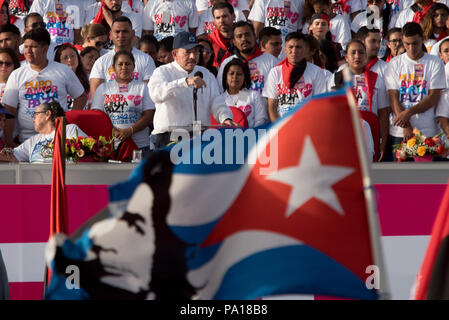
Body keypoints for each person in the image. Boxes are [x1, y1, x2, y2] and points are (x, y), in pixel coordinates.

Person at [148, 31, 237, 149]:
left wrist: (225, 118)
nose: (193, 56)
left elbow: (217, 101)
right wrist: (184, 82)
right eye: (187, 52)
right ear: (174, 54)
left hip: (197, 136)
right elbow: (156, 94)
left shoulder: (206, 74)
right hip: (167, 137)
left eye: (195, 52)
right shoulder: (162, 72)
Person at [1, 28, 87, 146]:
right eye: (26, 47)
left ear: (45, 49)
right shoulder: (17, 74)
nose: (28, 51)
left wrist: (68, 119)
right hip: (26, 140)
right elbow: (9, 110)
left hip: (58, 138)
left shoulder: (63, 70)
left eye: (33, 47)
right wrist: (9, 141)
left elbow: (81, 96)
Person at [385, 22, 446, 160]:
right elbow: (393, 96)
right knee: (401, 179)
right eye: (407, 44)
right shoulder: (395, 63)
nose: (411, 48)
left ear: (422, 39)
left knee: (428, 180)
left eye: (415, 43)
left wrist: (408, 113)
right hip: (400, 131)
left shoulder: (434, 62)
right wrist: (406, 125)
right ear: (402, 41)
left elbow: (433, 97)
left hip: (427, 129)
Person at [328, 39, 390, 160]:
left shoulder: (377, 79)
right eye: (353, 52)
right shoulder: (336, 78)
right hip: (344, 130)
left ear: (366, 56)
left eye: (361, 52)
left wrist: (383, 142)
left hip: (370, 132)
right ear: (346, 57)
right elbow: (331, 111)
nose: (357, 56)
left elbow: (383, 113)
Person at [91, 51, 154, 155]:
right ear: (113, 68)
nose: (124, 67)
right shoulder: (103, 88)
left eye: (127, 64)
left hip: (139, 146)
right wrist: (113, 131)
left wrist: (130, 130)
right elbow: (97, 114)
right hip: (110, 145)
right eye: (120, 64)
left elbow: (148, 115)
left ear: (134, 67)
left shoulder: (143, 87)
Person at [263, 32, 328, 121]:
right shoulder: (275, 72)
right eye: (290, 47)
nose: (294, 51)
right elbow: (272, 106)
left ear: (305, 50)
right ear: (285, 49)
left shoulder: (316, 72)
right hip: (282, 126)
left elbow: (319, 104)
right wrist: (277, 128)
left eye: (298, 47)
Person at [89, 16, 156, 101]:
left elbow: (150, 94)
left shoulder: (146, 60)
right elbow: (96, 98)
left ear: (133, 34)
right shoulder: (101, 62)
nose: (121, 35)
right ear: (110, 35)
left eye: (125, 32)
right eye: (117, 32)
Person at [0, 101, 87, 163]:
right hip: (37, 182)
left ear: (47, 114)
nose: (33, 120)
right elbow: (10, 156)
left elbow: (87, 151)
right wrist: (6, 153)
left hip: (64, 179)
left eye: (35, 115)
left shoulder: (69, 129)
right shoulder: (33, 140)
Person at [216, 21, 278, 94]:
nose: (244, 39)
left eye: (247, 34)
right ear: (234, 42)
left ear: (255, 36)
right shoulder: (227, 63)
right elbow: (220, 91)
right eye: (239, 36)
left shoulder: (271, 61)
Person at [220, 58, 268, 127]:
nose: (235, 77)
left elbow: (260, 120)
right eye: (231, 73)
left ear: (245, 77)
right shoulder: (219, 100)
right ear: (225, 77)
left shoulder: (253, 95)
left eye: (239, 74)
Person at [54, 43, 90, 110]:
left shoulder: (89, 79)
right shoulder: (54, 80)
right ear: (58, 62)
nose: (70, 60)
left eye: (72, 56)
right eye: (65, 58)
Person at [207, 2, 235, 67]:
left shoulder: (243, 36)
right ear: (214, 20)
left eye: (224, 16)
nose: (221, 21)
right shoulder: (209, 40)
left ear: (233, 16)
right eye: (218, 18)